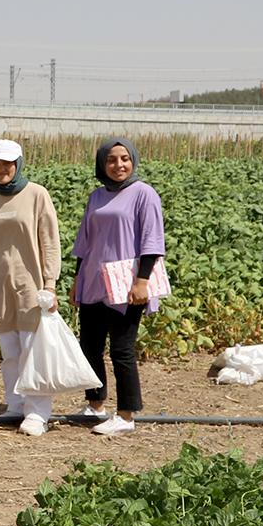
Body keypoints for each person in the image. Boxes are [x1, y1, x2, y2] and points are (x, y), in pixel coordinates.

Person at [70, 138, 167, 437]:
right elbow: (85, 242)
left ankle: (125, 414)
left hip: (126, 284)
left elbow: (152, 241)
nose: (118, 165)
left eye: (124, 158)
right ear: (102, 164)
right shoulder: (96, 196)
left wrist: (142, 281)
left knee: (122, 350)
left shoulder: (144, 194)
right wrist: (77, 280)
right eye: (111, 160)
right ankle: (95, 404)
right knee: (90, 346)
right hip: (94, 279)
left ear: (133, 160)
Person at [0, 139, 62, 437]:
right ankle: (16, 403)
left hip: (31, 286)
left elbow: (49, 242)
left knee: (32, 350)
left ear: (19, 164)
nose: (1, 170)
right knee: (10, 350)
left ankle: (38, 412)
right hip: (0, 287)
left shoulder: (37, 194)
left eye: (7, 164)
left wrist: (50, 284)